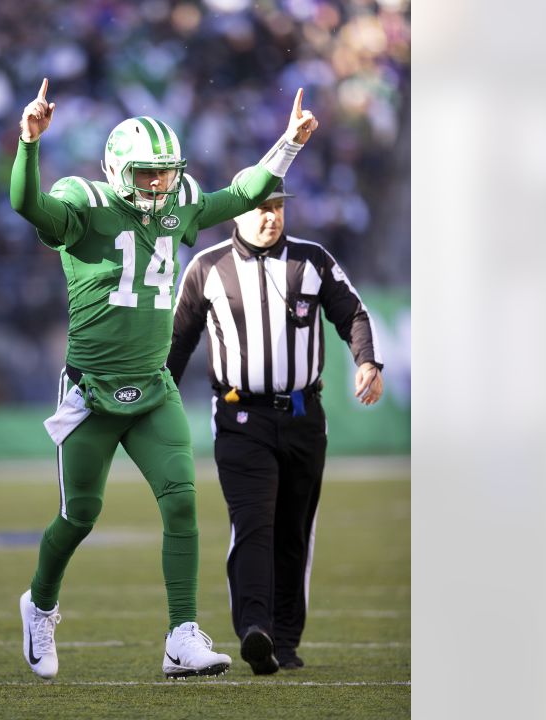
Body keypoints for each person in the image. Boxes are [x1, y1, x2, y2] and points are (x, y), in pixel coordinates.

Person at [9, 77, 319, 680]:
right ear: (117, 170)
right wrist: (29, 143)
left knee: (181, 503)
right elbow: (28, 204)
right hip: (93, 392)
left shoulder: (180, 203)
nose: (158, 184)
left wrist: (288, 145)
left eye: (166, 172)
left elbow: (240, 193)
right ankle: (39, 604)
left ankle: (181, 636)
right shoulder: (83, 203)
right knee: (80, 515)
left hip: (153, 388)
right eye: (146, 173)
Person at [166, 173, 384, 675]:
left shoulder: (312, 260)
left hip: (305, 415)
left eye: (278, 206)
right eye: (260, 207)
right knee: (253, 522)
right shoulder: (206, 267)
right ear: (237, 210)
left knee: (294, 531)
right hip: (241, 418)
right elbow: (177, 344)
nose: (271, 216)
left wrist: (367, 362)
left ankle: (284, 641)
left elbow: (352, 312)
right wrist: (160, 403)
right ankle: (254, 630)